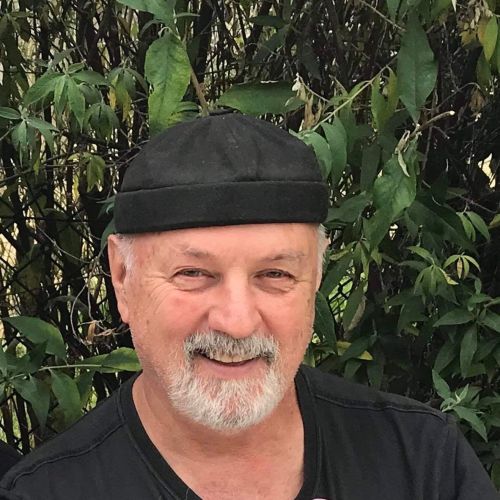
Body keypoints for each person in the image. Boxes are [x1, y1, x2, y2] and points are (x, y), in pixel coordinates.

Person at [1, 113, 498, 499]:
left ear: (316, 278)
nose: (237, 322)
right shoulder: (47, 493)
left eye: (275, 275)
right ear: (122, 278)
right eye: (193, 274)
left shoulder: (421, 463)